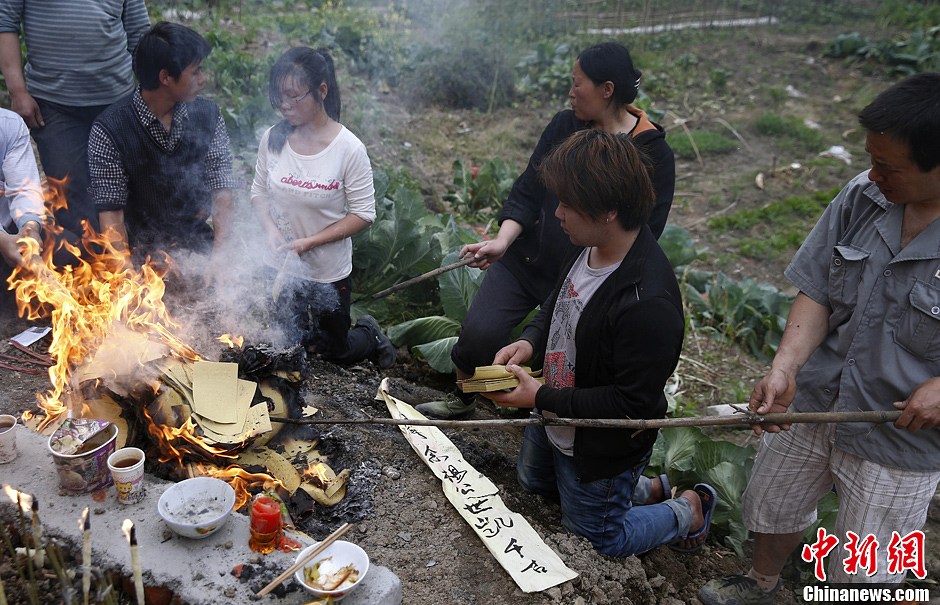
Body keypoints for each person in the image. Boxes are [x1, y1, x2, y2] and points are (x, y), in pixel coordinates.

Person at [699, 73, 940, 605]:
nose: (873, 175)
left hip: (897, 433)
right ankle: (761, 585)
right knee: (773, 500)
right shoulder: (863, 195)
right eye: (871, 159)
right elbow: (818, 291)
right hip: (815, 397)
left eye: (890, 167)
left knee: (870, 559)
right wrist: (785, 367)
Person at [483, 128, 716, 557]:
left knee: (597, 540)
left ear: (608, 210)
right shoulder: (588, 244)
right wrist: (532, 342)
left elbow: (631, 405)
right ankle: (646, 488)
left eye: (568, 205)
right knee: (534, 483)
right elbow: (559, 302)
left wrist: (542, 396)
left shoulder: (648, 303)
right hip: (556, 419)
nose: (557, 213)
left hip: (603, 445)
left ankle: (688, 510)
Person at [418, 41, 676, 420]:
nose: (571, 93)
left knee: (565, 356)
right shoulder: (565, 126)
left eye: (578, 83)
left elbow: (644, 231)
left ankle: (539, 414)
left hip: (587, 277)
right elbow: (527, 189)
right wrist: (503, 240)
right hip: (529, 258)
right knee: (478, 334)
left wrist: (597, 278)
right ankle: (465, 398)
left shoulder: (651, 152)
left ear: (607, 90)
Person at [250, 46, 395, 368]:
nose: (284, 105)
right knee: (287, 347)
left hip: (327, 271)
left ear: (322, 91)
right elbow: (258, 192)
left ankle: (369, 334)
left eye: (293, 96)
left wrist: (310, 242)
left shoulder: (348, 149)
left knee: (334, 351)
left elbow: (363, 214)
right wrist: (271, 230)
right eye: (278, 97)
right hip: (279, 268)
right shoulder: (274, 138)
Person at [89, 21, 236, 275]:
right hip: (140, 255)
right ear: (165, 77)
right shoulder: (110, 129)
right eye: (196, 72)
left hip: (197, 249)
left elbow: (221, 189)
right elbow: (112, 216)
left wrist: (221, 258)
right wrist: (128, 280)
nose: (203, 79)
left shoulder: (208, 115)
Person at [0, 0, 150, 245]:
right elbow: (5, 23)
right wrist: (18, 92)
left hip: (117, 101)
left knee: (126, 194)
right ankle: (88, 271)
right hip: (55, 106)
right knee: (74, 203)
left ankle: (134, 271)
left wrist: (149, 96)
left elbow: (139, 33)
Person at [0, 107, 44, 316]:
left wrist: (30, 229)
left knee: (68, 253)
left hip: (9, 231)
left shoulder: (8, 124)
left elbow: (24, 188)